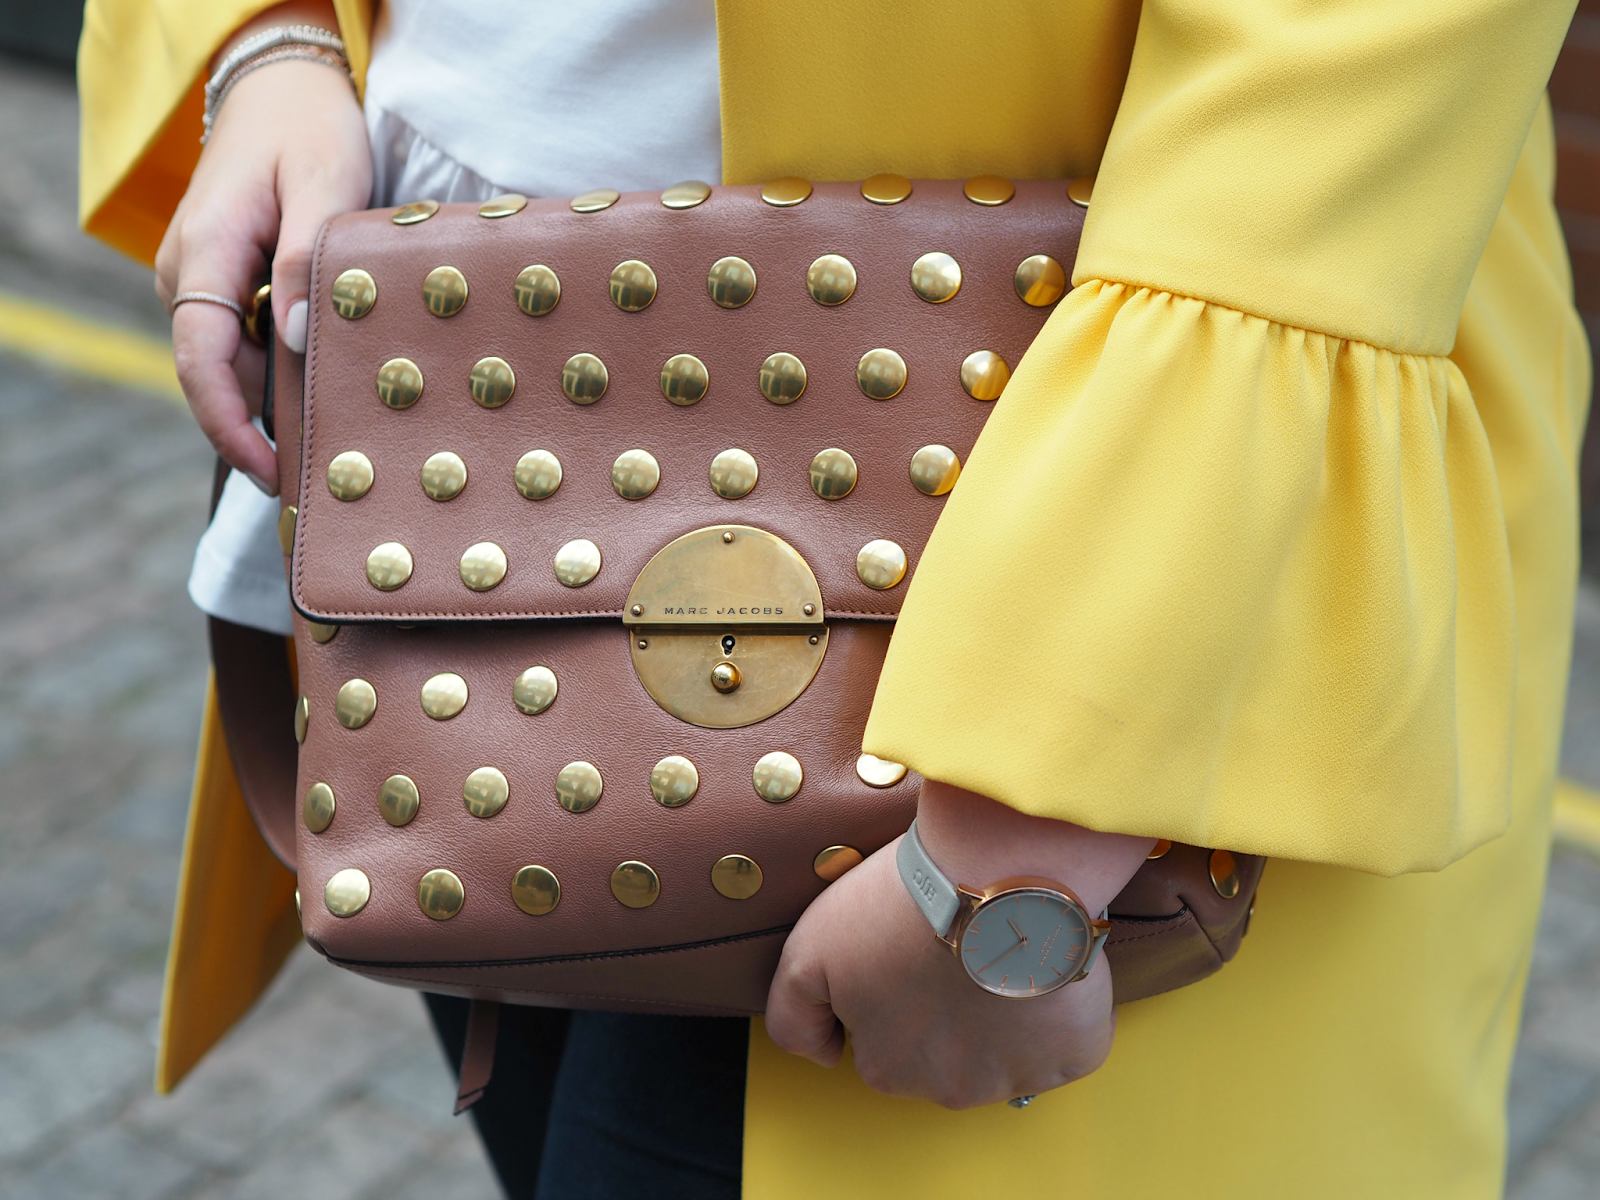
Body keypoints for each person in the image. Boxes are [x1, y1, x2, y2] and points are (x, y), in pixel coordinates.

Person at [79, 0, 1589, 1196]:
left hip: (1071, 601)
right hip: (457, 417)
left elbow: (1356, 57)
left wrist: (1017, 861)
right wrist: (263, 45)